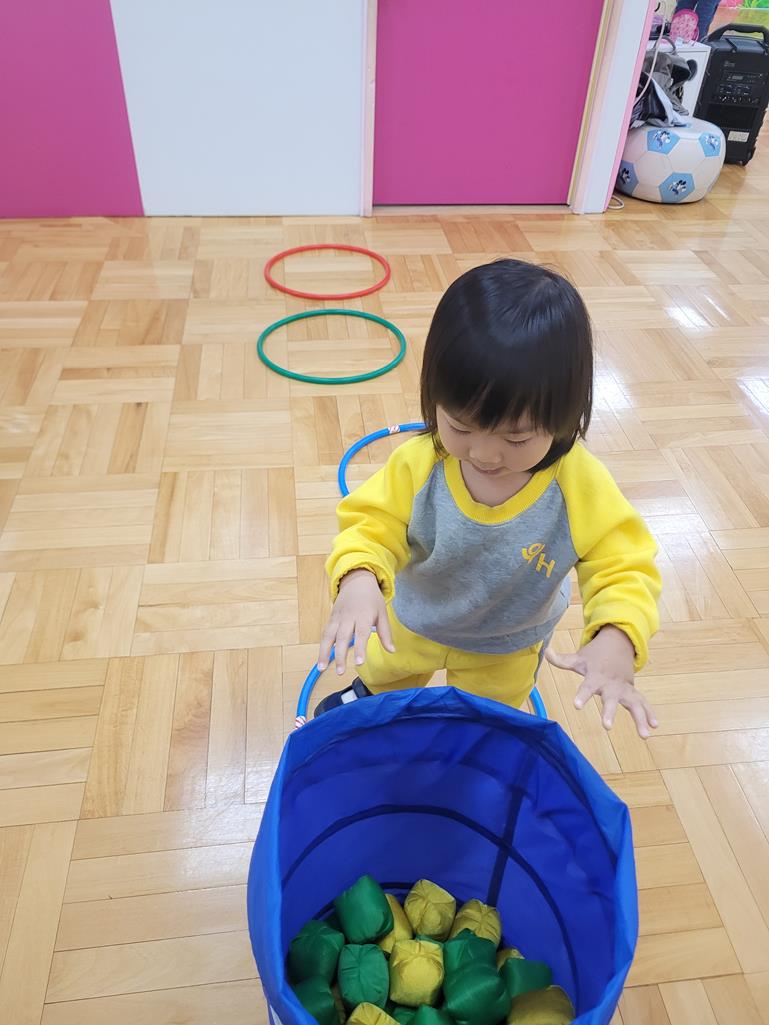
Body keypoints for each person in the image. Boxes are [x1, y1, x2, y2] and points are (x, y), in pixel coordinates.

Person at [316, 260, 661, 739]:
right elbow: (372, 524)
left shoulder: (580, 485)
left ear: (563, 417)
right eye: (460, 427)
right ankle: (372, 693)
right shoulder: (419, 464)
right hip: (414, 620)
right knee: (387, 671)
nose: (483, 454)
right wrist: (358, 576)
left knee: (483, 719)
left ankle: (470, 730)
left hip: (505, 646)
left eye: (516, 439)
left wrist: (617, 633)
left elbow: (624, 564)